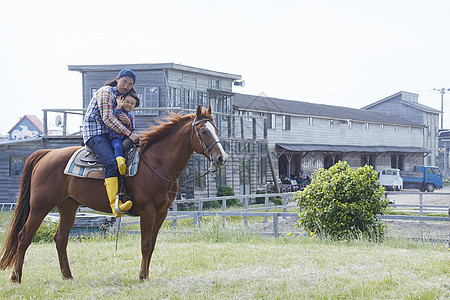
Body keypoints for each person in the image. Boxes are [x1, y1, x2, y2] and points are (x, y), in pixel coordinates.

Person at [82, 69, 140, 218]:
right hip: (96, 133)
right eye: (124, 81)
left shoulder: (123, 98)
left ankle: (128, 195)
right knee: (111, 163)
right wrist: (129, 133)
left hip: (111, 134)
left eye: (130, 84)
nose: (126, 86)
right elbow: (108, 118)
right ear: (117, 79)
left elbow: (124, 121)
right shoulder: (106, 92)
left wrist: (129, 125)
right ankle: (116, 205)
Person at [109, 92, 140, 176]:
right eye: (127, 102)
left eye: (132, 104)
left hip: (126, 138)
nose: (129, 105)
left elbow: (132, 129)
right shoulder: (117, 110)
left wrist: (129, 123)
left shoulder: (130, 117)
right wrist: (118, 106)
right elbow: (112, 118)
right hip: (116, 137)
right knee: (118, 146)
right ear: (122, 101)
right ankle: (120, 162)